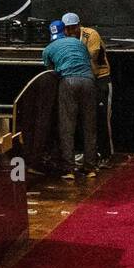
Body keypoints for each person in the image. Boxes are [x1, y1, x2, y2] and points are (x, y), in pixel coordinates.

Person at [41, 14, 97, 180]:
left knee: (67, 126)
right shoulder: (79, 43)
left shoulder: (48, 49)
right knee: (89, 126)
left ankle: (69, 169)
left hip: (68, 82)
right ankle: (90, 168)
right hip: (88, 81)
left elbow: (50, 72)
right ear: (65, 31)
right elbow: (87, 59)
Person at [73, 13, 113, 167]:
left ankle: (106, 154)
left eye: (72, 28)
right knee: (81, 118)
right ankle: (87, 152)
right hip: (83, 80)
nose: (70, 31)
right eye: (67, 29)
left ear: (78, 25)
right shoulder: (66, 37)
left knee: (102, 118)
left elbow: (92, 60)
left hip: (100, 79)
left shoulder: (91, 34)